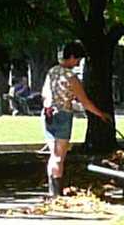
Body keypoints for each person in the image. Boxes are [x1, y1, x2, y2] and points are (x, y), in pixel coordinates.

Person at [40, 45, 97, 200]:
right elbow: (84, 101)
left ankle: (52, 191)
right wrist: (100, 114)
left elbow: (45, 94)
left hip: (47, 114)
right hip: (63, 115)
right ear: (72, 57)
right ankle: (57, 194)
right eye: (77, 59)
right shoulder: (71, 77)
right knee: (59, 157)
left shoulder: (52, 72)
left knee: (54, 155)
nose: (78, 63)